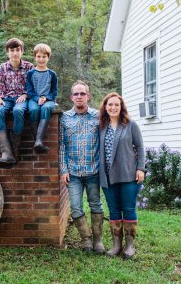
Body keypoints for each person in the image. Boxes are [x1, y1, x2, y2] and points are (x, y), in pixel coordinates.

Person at [59, 80, 105, 254]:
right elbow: (61, 146)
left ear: (88, 96)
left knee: (96, 205)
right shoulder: (64, 118)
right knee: (76, 207)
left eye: (82, 94)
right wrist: (63, 170)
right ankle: (86, 240)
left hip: (94, 171)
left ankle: (98, 240)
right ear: (72, 97)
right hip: (73, 173)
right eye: (76, 94)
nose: (79, 97)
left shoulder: (98, 116)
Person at [98, 92, 145, 259]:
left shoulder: (130, 125)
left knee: (129, 208)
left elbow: (140, 147)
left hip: (128, 175)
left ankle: (130, 246)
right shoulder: (101, 126)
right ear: (105, 107)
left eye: (116, 105)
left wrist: (140, 169)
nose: (113, 107)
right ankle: (116, 245)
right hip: (107, 176)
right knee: (113, 210)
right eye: (110, 104)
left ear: (121, 107)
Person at [0, 38, 34, 167]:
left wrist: (26, 94)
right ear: (7, 52)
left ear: (22, 51)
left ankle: (14, 150)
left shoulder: (29, 67)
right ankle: (6, 152)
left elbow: (33, 86)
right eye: (12, 50)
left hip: (22, 97)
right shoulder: (2, 68)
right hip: (7, 98)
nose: (15, 53)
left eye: (17, 50)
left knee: (18, 110)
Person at [26, 43, 58, 153]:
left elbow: (54, 92)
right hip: (34, 98)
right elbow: (29, 91)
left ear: (48, 58)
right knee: (34, 109)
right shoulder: (30, 73)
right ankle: (37, 141)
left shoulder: (52, 74)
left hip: (48, 100)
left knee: (45, 108)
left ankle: (38, 141)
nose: (41, 59)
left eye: (44, 57)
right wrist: (36, 98)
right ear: (35, 57)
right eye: (39, 56)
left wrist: (46, 97)